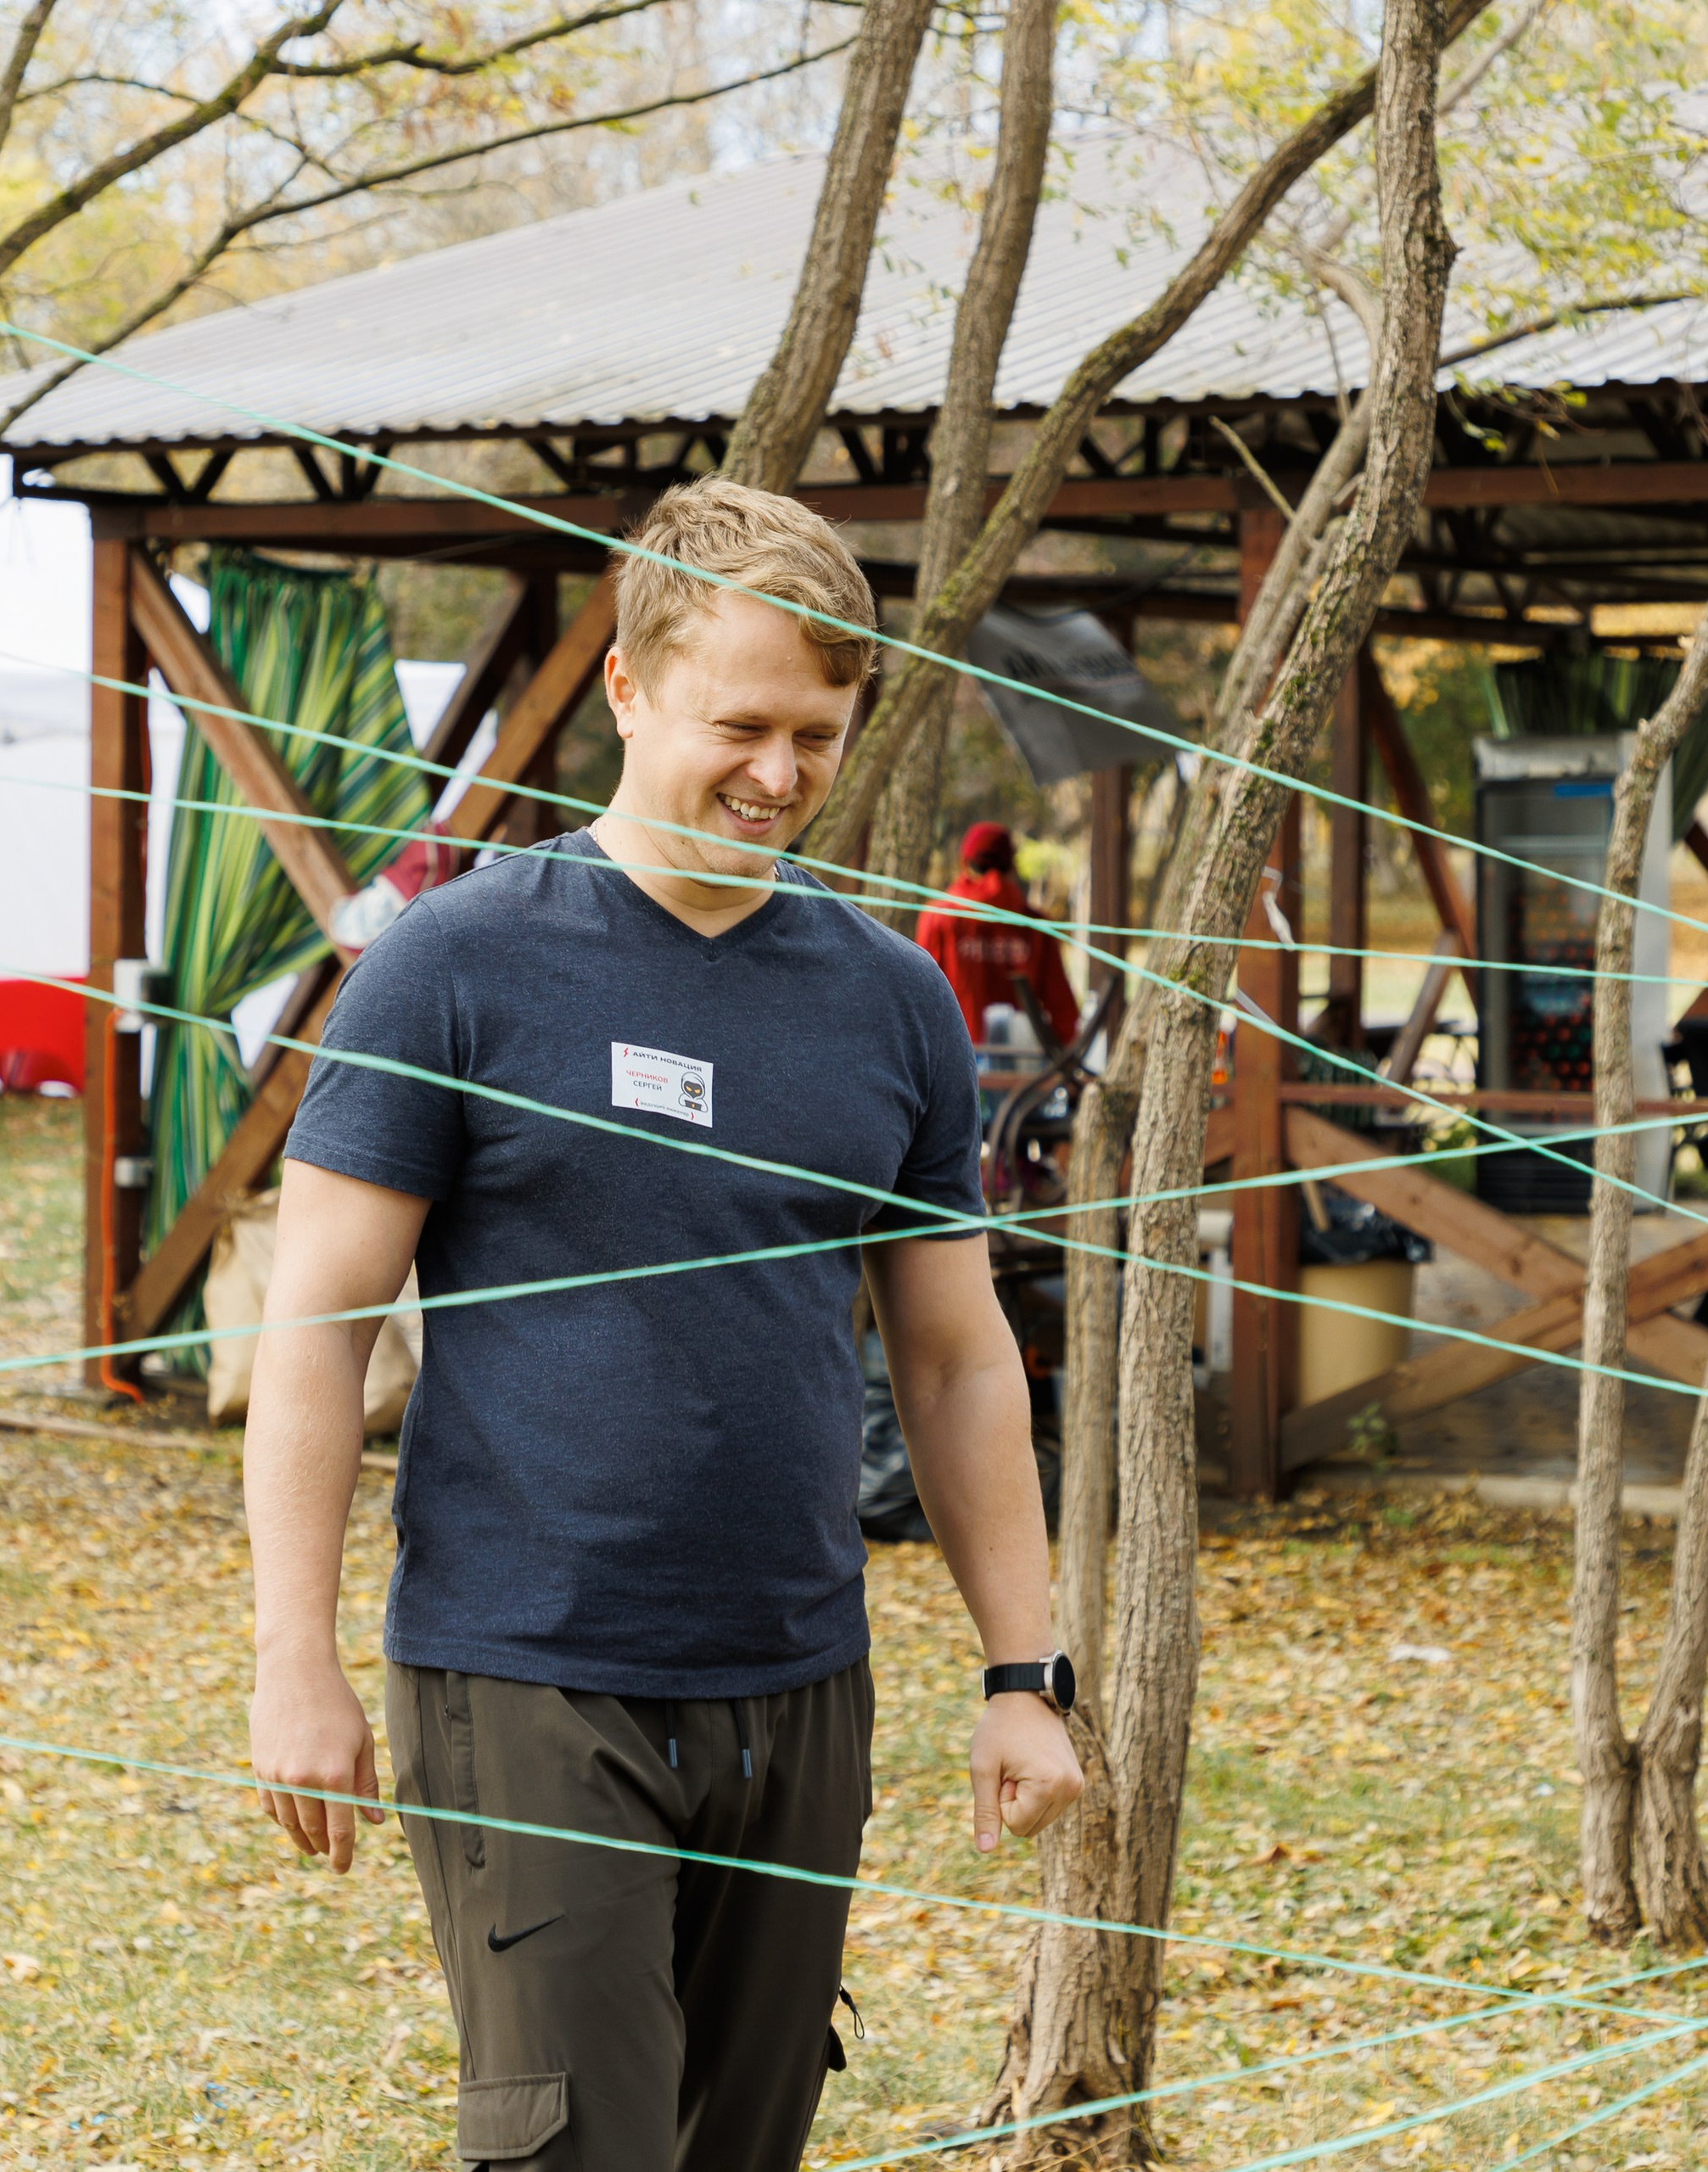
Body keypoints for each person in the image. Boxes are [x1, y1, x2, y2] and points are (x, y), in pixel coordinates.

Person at [244, 476, 1083, 2172]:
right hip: (527, 1671)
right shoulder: (454, 966)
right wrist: (291, 1653)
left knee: (738, 2147)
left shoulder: (891, 999)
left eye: (818, 733)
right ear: (629, 689)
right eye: (741, 723)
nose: (778, 774)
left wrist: (1020, 1666)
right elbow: (318, 1320)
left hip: (796, 1677)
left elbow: (950, 1350)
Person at [914, 819, 1082, 1048]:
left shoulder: (938, 917)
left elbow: (920, 997)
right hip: (1021, 1066)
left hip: (953, 1060)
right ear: (1012, 866)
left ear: (964, 862)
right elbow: (1062, 1010)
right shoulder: (1036, 924)